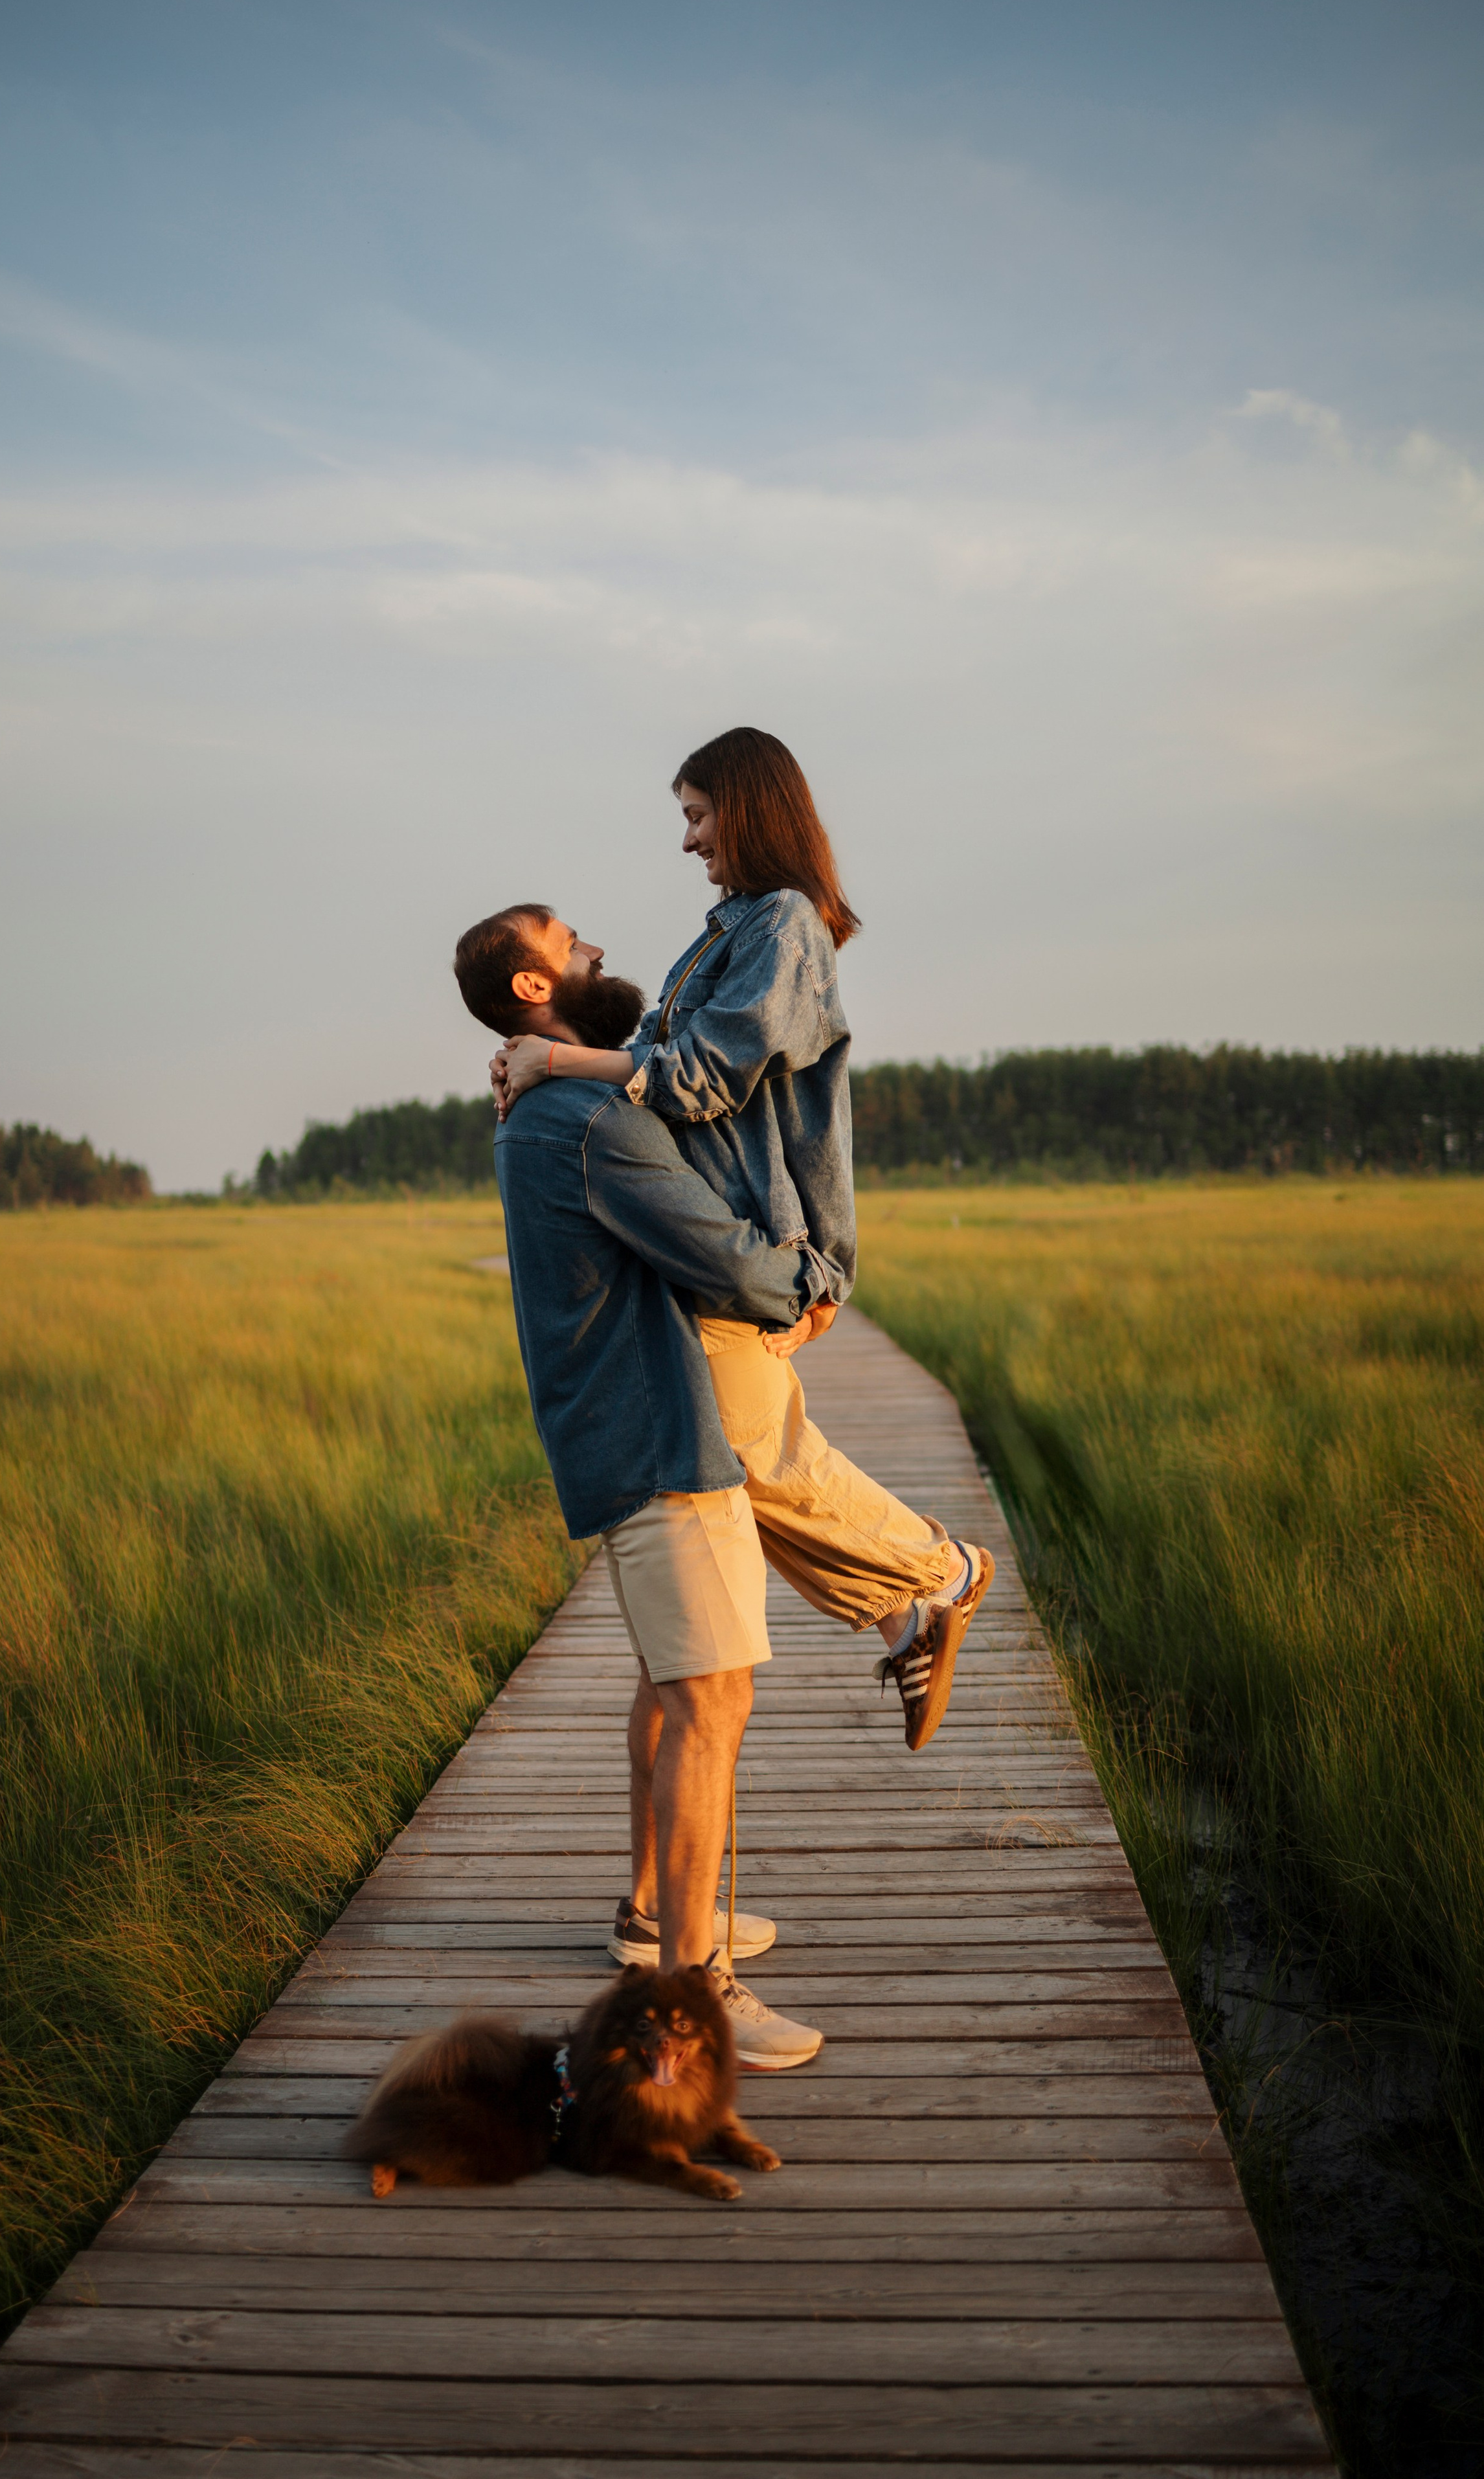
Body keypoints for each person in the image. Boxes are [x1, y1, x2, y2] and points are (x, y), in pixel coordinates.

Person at [491, 728, 993, 1752]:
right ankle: (906, 1616)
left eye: (697, 815)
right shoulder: (729, 932)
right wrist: (540, 1057)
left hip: (759, 1239)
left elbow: (700, 1076)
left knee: (756, 1460)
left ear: (749, 809)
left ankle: (941, 1575)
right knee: (746, 1466)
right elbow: (655, 1052)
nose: (688, 841)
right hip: (713, 1248)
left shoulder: (787, 926)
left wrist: (557, 1063)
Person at [454, 901, 828, 2069]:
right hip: (663, 1435)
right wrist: (805, 1289)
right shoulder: (584, 1122)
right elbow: (718, 1250)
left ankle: (654, 1912)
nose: (597, 950)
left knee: (677, 1687)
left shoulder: (547, 1108)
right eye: (570, 942)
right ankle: (688, 1990)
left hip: (621, 1435)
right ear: (533, 988)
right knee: (711, 1701)